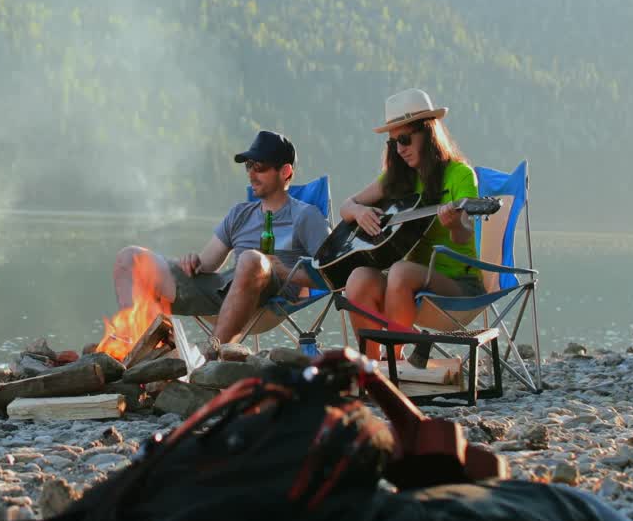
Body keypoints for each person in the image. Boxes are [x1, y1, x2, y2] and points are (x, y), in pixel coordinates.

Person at [114, 131, 331, 356]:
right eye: (249, 166)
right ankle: (139, 353)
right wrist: (194, 262)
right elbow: (207, 264)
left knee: (250, 259)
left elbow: (332, 275)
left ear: (285, 172)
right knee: (130, 258)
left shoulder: (306, 216)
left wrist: (285, 272)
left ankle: (210, 358)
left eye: (260, 167)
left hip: (269, 301)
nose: (251, 174)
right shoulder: (239, 214)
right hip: (224, 290)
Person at [337, 89, 485, 337]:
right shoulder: (397, 178)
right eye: (393, 142)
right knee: (358, 278)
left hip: (460, 286)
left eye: (404, 139)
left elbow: (464, 236)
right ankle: (373, 366)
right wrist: (359, 212)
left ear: (428, 134)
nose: (399, 149)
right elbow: (346, 206)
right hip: (407, 285)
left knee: (400, 271)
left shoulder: (460, 174)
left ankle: (394, 359)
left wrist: (454, 225)